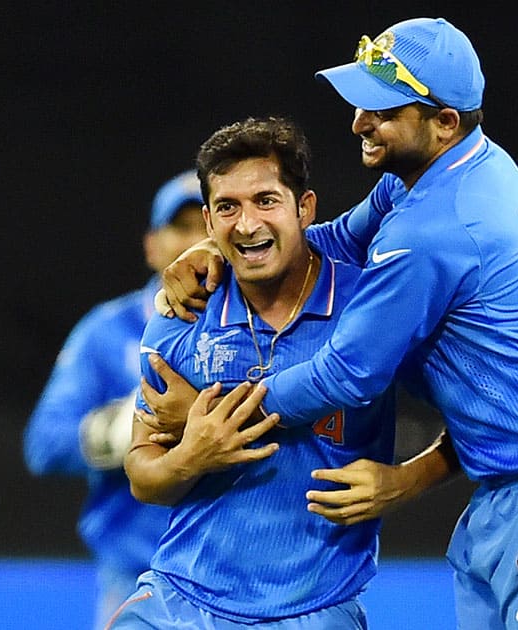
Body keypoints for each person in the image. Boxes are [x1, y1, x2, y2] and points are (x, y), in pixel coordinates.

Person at [154, 17, 518, 629]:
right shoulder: (452, 170)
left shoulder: (435, 228)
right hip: (514, 483)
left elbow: (346, 376)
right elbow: (335, 240)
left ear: (444, 121)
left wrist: (214, 414)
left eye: (381, 110)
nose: (359, 123)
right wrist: (235, 248)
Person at [107, 116, 397, 629]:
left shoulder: (372, 308)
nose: (246, 224)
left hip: (313, 612)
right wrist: (190, 458)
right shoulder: (182, 312)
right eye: (227, 207)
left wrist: (402, 482)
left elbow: (472, 419)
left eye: (265, 200)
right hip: (178, 604)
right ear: (209, 220)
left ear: (304, 208)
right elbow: (143, 474)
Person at [22, 170, 208, 629]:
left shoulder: (264, 326)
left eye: (207, 223)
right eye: (180, 227)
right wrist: (125, 426)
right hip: (141, 574)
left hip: (247, 574)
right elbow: (46, 443)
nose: (196, 240)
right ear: (152, 245)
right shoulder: (109, 331)